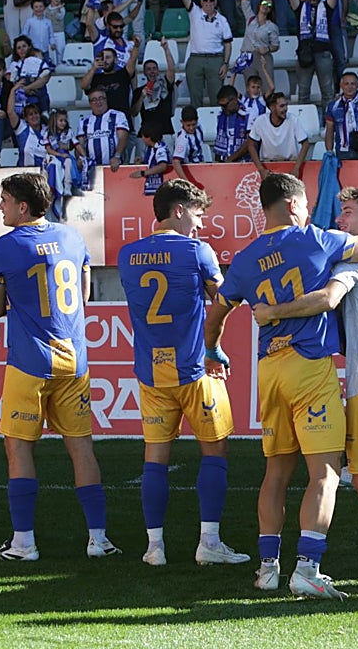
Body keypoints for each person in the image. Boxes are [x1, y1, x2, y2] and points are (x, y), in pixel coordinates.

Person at [203, 173, 358, 599]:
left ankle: (268, 568)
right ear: (292, 205)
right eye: (307, 203)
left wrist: (213, 352)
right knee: (326, 473)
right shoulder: (318, 240)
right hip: (310, 368)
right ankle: (308, 568)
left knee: (275, 472)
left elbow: (215, 316)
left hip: (269, 370)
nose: (313, 210)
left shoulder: (246, 257)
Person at [0, 173, 119, 561]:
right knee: (81, 449)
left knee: (19, 447)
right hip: (74, 358)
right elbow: (86, 293)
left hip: (30, 361)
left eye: (5, 200)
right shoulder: (72, 238)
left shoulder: (4, 247)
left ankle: (23, 543)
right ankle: (98, 539)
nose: (1, 207)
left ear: (22, 206)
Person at [117, 180, 249, 567]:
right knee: (215, 449)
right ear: (178, 210)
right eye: (197, 213)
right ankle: (209, 542)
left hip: (150, 372)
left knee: (155, 457)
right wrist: (215, 348)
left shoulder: (128, 254)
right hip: (195, 368)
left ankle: (154, 547)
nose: (200, 222)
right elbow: (224, 301)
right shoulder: (197, 251)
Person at [178, 0, 234, 109]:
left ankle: (216, 126)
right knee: (195, 98)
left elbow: (228, 44)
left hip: (215, 59)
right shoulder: (195, 12)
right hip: (196, 58)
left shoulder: (222, 20)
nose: (208, 2)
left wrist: (225, 63)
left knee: (217, 98)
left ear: (215, 2)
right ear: (201, 1)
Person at [247, 92, 310, 179]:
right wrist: (261, 169)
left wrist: (296, 168)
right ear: (272, 108)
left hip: (290, 164)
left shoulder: (293, 120)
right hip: (268, 165)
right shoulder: (260, 121)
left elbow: (305, 144)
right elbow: (250, 145)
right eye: (282, 106)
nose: (285, 109)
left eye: (286, 105)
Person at [324, 72, 358, 160]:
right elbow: (329, 132)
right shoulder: (333, 106)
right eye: (346, 84)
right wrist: (329, 151)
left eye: (353, 84)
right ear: (341, 85)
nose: (350, 87)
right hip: (343, 152)